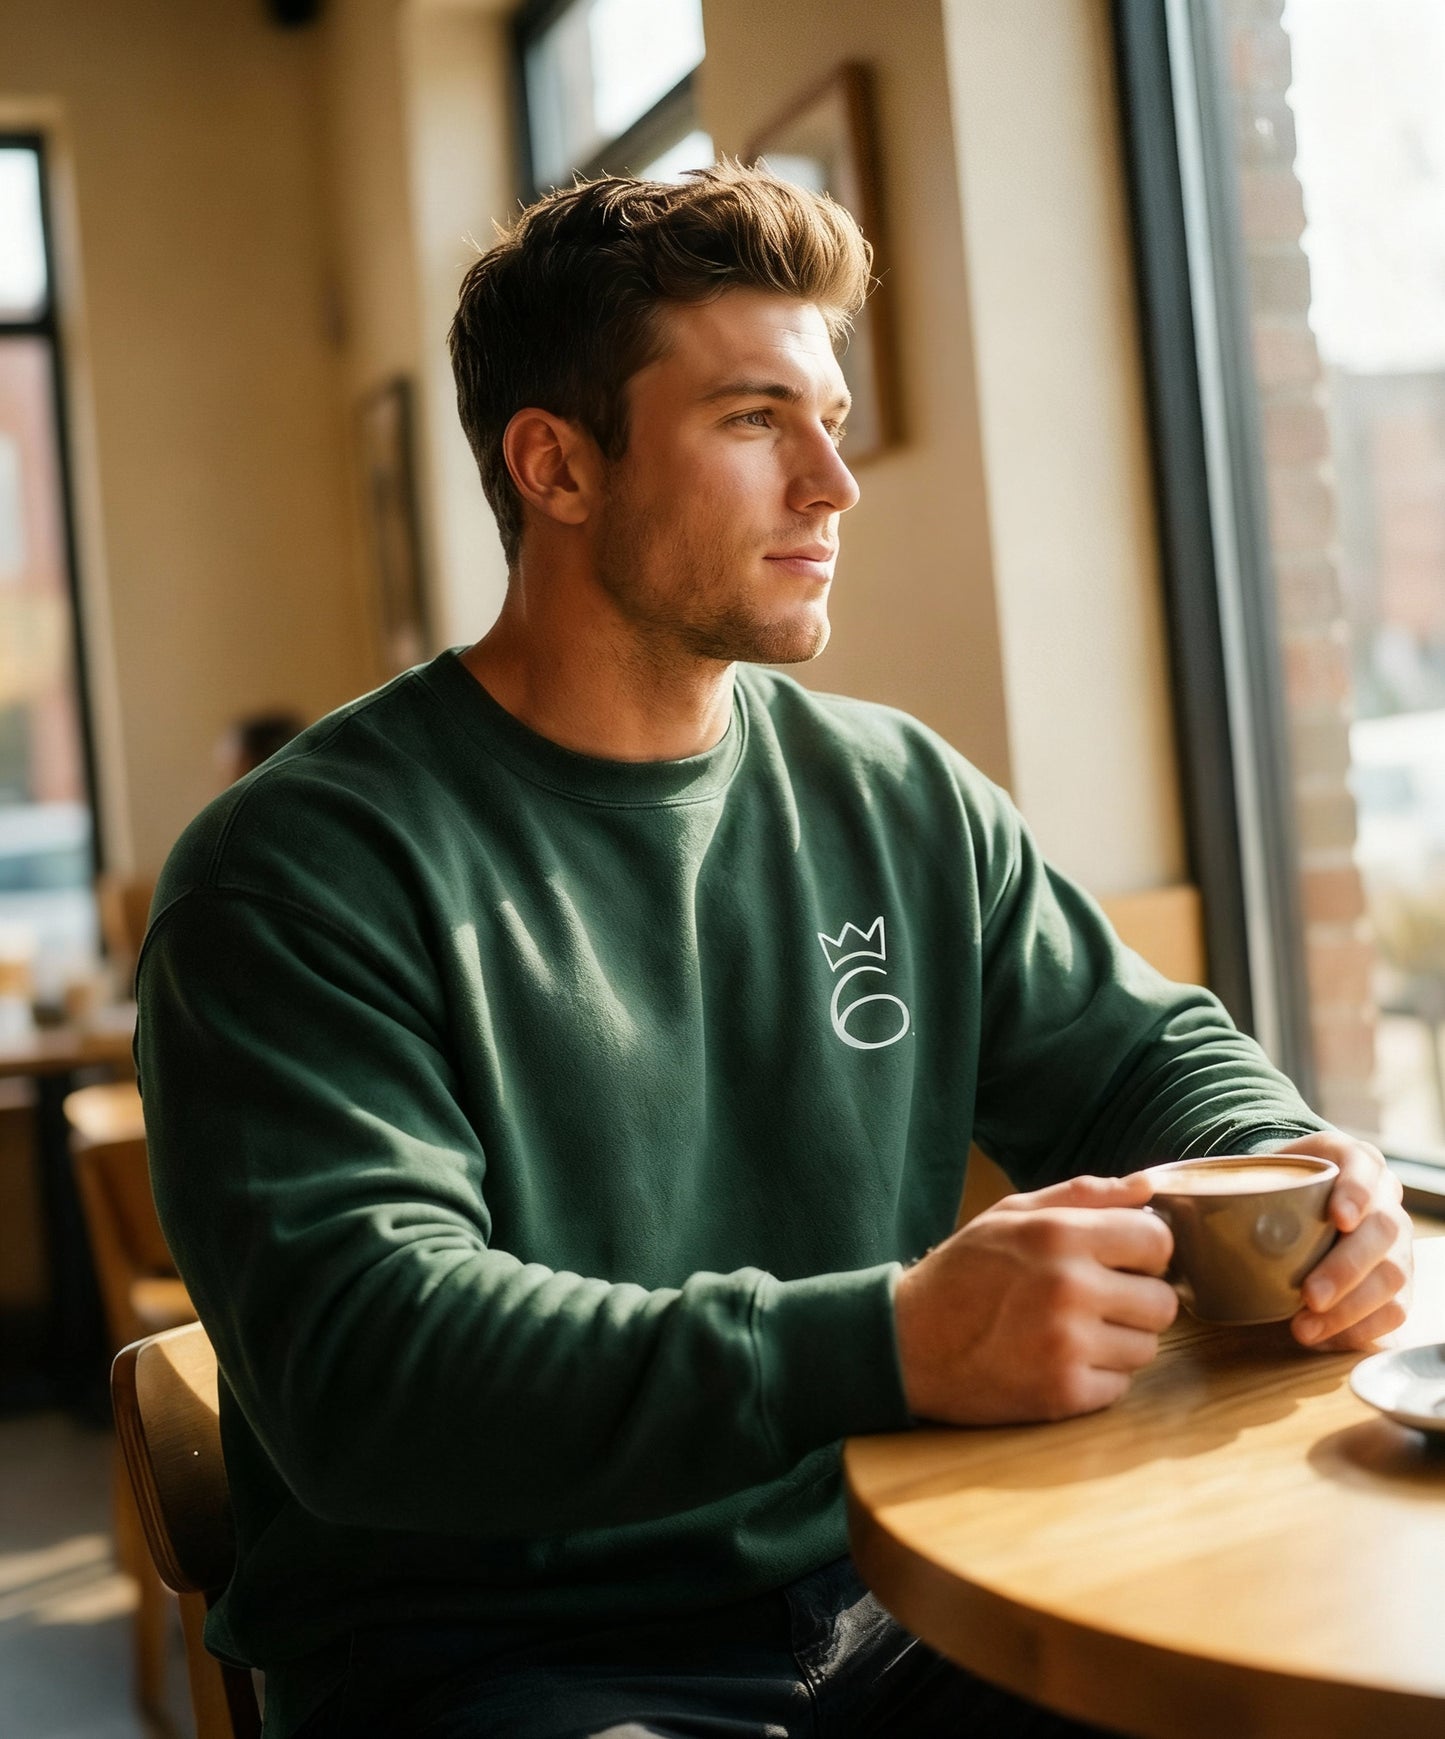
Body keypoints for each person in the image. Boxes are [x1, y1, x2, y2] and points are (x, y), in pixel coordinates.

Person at [135, 166, 1412, 1739]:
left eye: (829, 414)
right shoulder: (297, 870)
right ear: (558, 467)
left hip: (905, 1586)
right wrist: (889, 1339)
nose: (834, 480)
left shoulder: (895, 791)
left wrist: (1289, 1173)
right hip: (499, 1668)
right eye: (754, 421)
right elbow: (372, 1365)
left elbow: (1142, 1058)